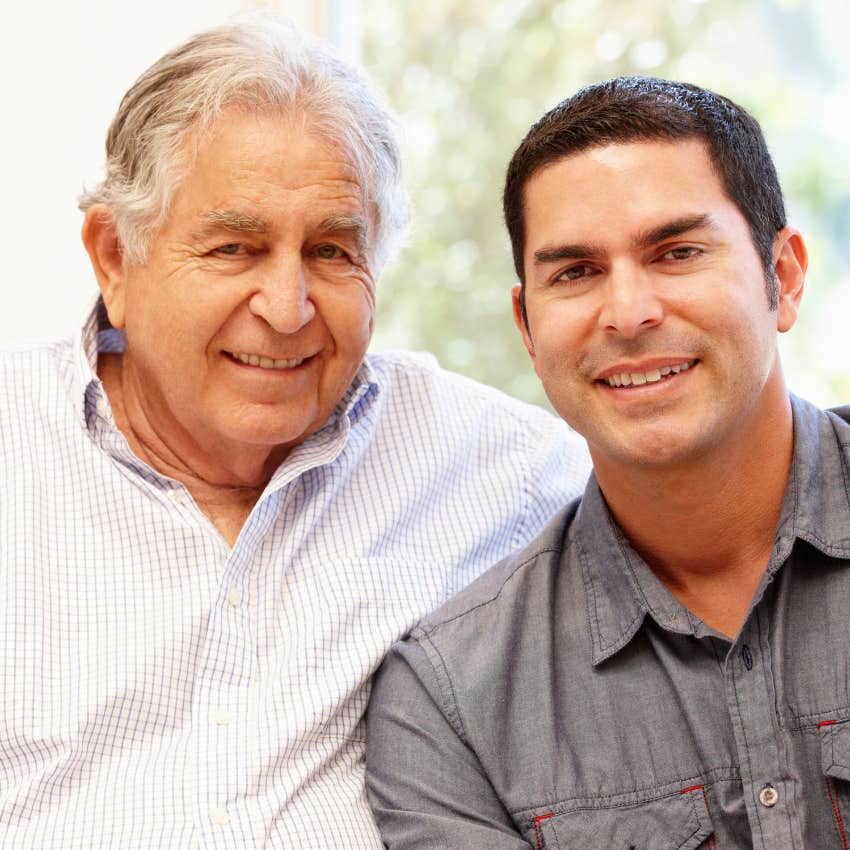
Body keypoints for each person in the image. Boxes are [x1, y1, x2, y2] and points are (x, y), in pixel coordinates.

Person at [0, 16, 591, 849]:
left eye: (331, 251)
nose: (286, 308)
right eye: (234, 248)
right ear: (112, 258)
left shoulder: (502, 467)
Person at [366, 77, 850, 850]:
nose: (628, 314)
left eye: (678, 252)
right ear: (528, 326)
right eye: (576, 272)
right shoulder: (450, 704)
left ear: (782, 277)